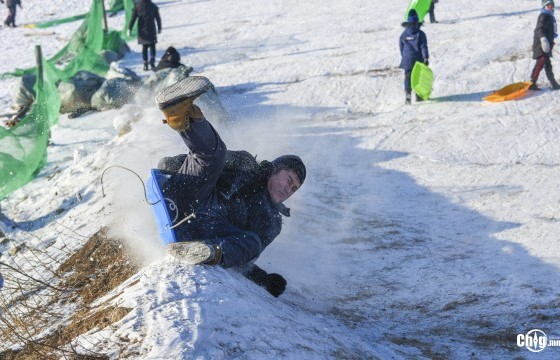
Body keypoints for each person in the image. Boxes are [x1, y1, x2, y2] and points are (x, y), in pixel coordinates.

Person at [154, 76, 306, 297]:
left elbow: (243, 256)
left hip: (210, 233)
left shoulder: (272, 223)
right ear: (276, 169)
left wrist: (264, 279)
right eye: (289, 180)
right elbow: (201, 161)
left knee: (252, 242)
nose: (288, 190)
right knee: (217, 154)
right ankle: (179, 114)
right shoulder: (246, 164)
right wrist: (170, 167)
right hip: (193, 195)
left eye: (294, 189)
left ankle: (203, 253)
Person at [399, 9, 429, 104]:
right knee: (418, 77)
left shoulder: (403, 34)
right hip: (418, 59)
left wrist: (404, 57)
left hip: (407, 59)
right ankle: (418, 95)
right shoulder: (420, 34)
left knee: (408, 76)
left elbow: (401, 47)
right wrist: (426, 57)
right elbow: (423, 46)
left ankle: (408, 93)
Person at [529, 0, 560, 90]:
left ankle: (554, 84)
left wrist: (550, 41)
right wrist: (543, 39)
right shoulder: (544, 15)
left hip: (547, 43)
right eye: (548, 5)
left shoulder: (550, 16)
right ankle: (532, 83)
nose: (551, 6)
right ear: (544, 6)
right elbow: (539, 29)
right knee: (541, 62)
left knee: (547, 64)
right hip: (541, 44)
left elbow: (549, 31)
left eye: (552, 4)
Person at [128, 0, 162, 71]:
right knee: (152, 46)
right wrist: (159, 27)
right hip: (151, 28)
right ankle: (152, 62)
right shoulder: (153, 6)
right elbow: (158, 17)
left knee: (144, 47)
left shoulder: (137, 6)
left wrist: (129, 28)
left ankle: (145, 64)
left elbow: (133, 18)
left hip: (142, 30)